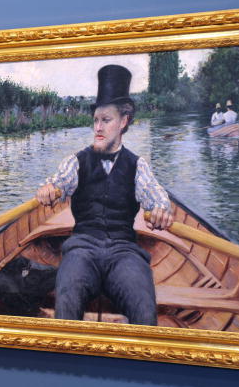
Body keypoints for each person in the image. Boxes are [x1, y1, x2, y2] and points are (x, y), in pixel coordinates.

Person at [36, 65, 173, 326]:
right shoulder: (76, 161)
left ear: (124, 121)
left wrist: (160, 211)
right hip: (82, 248)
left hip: (124, 253)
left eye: (106, 120)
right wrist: (48, 190)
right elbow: (57, 184)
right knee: (67, 299)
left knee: (144, 307)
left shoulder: (138, 165)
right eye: (96, 120)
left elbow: (157, 198)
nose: (98, 127)